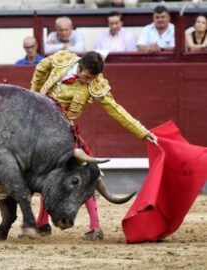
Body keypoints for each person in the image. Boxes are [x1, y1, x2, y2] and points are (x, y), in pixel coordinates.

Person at [31, 50, 157, 240]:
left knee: (84, 177)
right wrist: (34, 94)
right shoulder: (63, 59)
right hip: (40, 128)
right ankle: (41, 223)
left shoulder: (96, 84)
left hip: (63, 134)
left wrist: (143, 132)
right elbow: (41, 68)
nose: (89, 81)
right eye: (87, 76)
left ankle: (95, 227)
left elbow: (117, 110)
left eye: (93, 78)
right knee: (48, 175)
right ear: (80, 66)